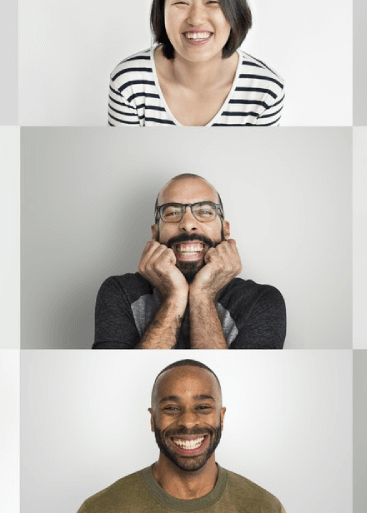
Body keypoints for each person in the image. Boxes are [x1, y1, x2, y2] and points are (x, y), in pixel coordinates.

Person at [93, 173, 285, 349]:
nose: (188, 224)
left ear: (225, 230)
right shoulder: (120, 292)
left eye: (205, 212)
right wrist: (174, 298)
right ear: (155, 233)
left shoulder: (261, 300)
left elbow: (240, 385)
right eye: (172, 213)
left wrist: (203, 295)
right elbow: (118, 379)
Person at [78, 359, 286, 512]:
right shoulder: (100, 508)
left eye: (203, 407)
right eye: (171, 408)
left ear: (221, 417)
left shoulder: (264, 507)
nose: (188, 422)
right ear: (153, 420)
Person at [108, 0, 283, 126]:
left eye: (213, 2)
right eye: (181, 3)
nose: (196, 19)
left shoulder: (265, 89)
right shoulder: (129, 82)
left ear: (234, 12)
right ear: (162, 12)